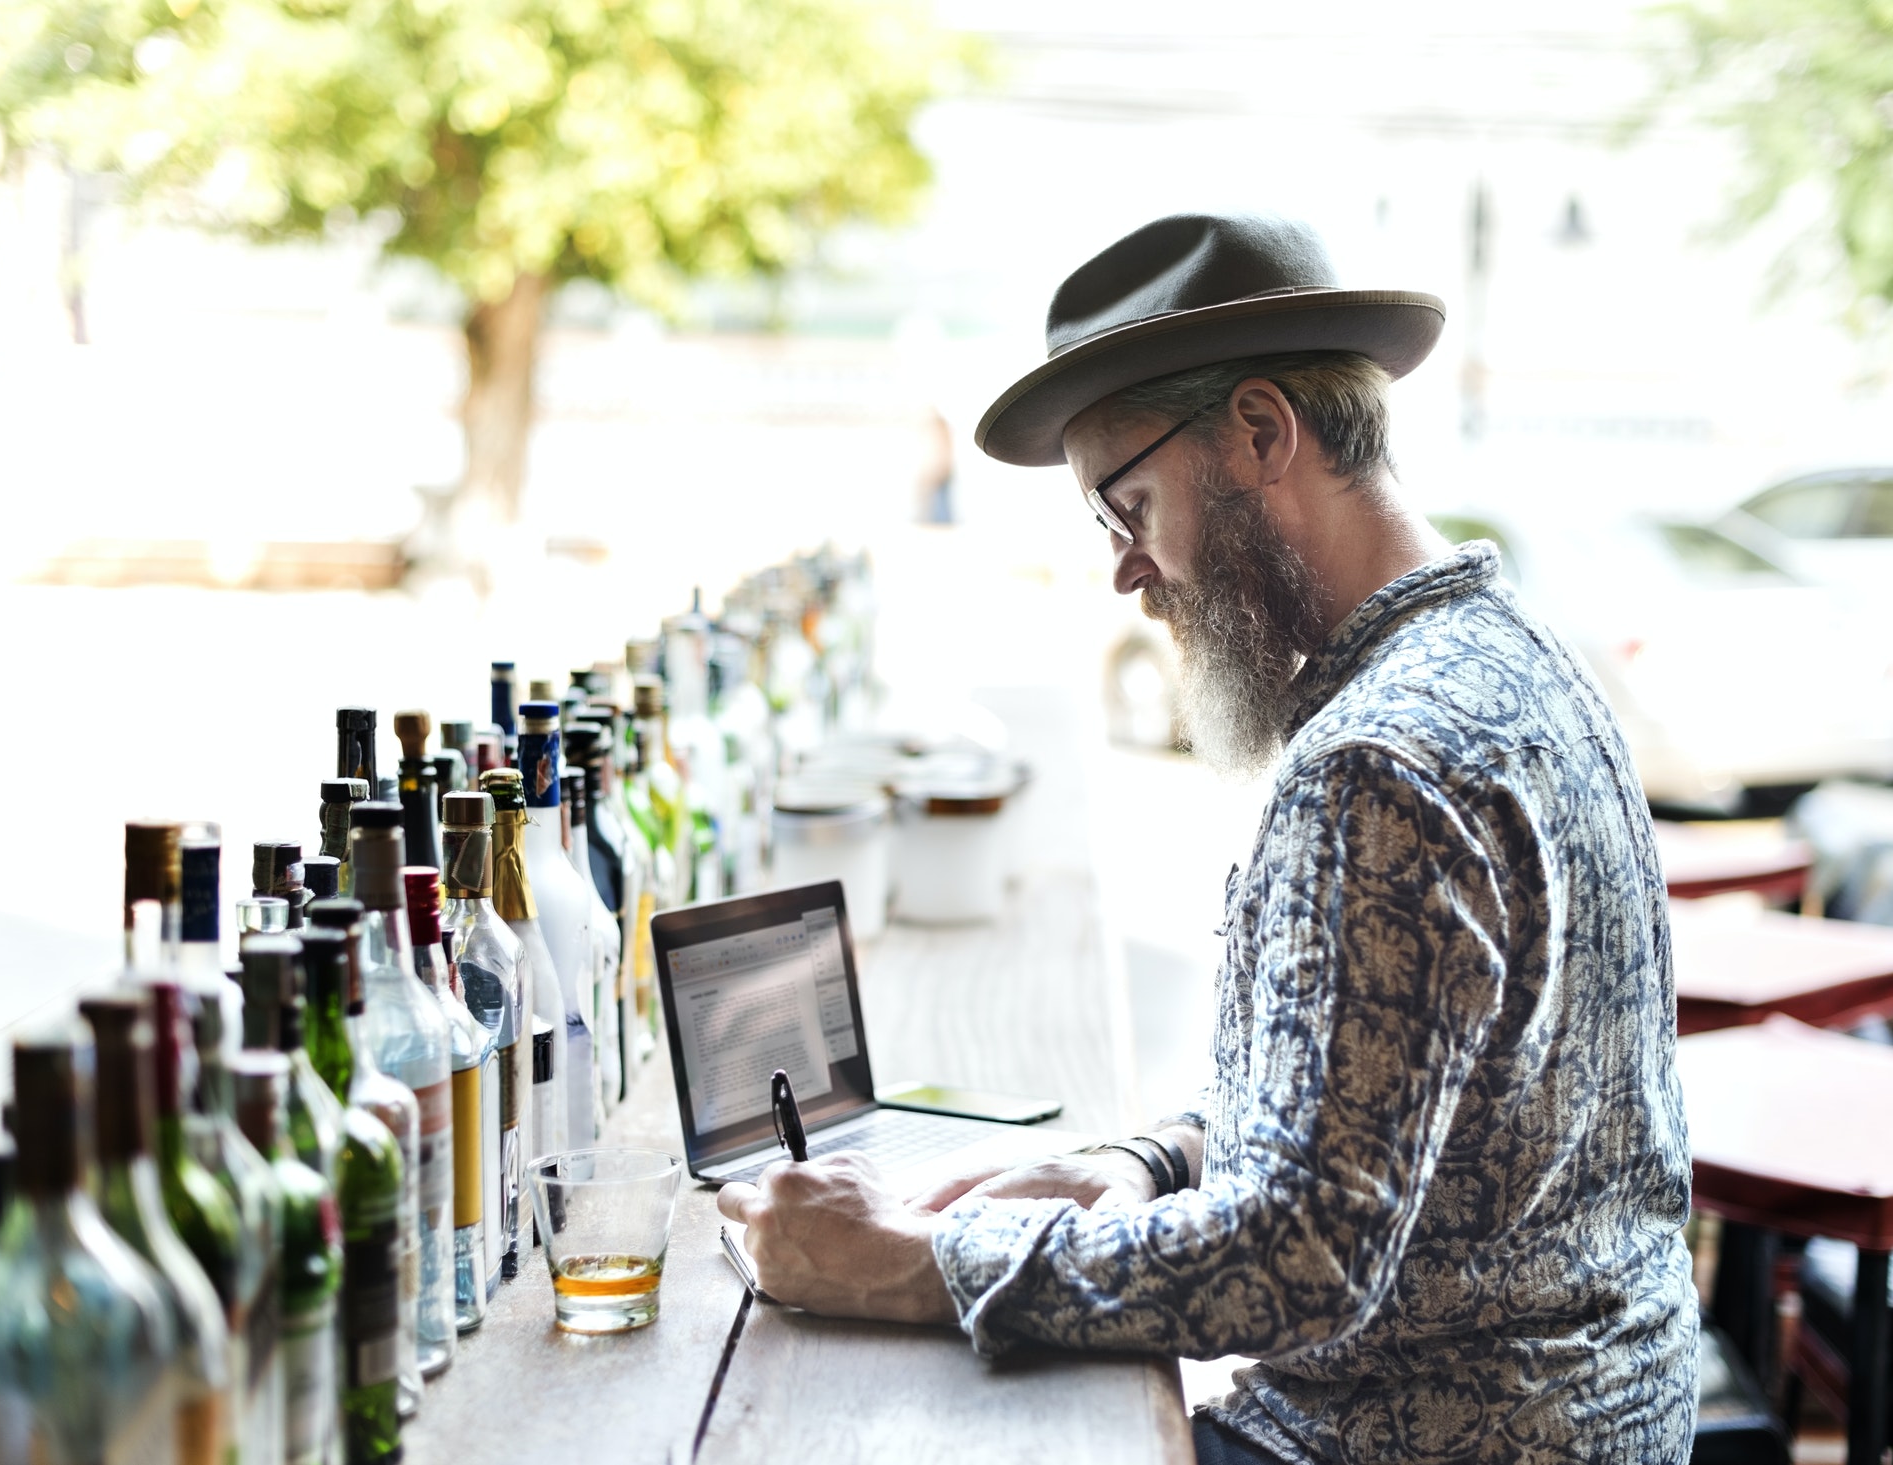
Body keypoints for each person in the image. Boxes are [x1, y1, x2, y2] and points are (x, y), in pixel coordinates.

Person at [717, 212, 1700, 1464]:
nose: (1125, 570)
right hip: (1606, 1409)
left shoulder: (1373, 768)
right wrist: (1144, 1162)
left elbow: (1296, 1263)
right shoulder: (1515, 660)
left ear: (1257, 433)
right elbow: (1394, 1101)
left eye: (1125, 504)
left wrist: (903, 1255)